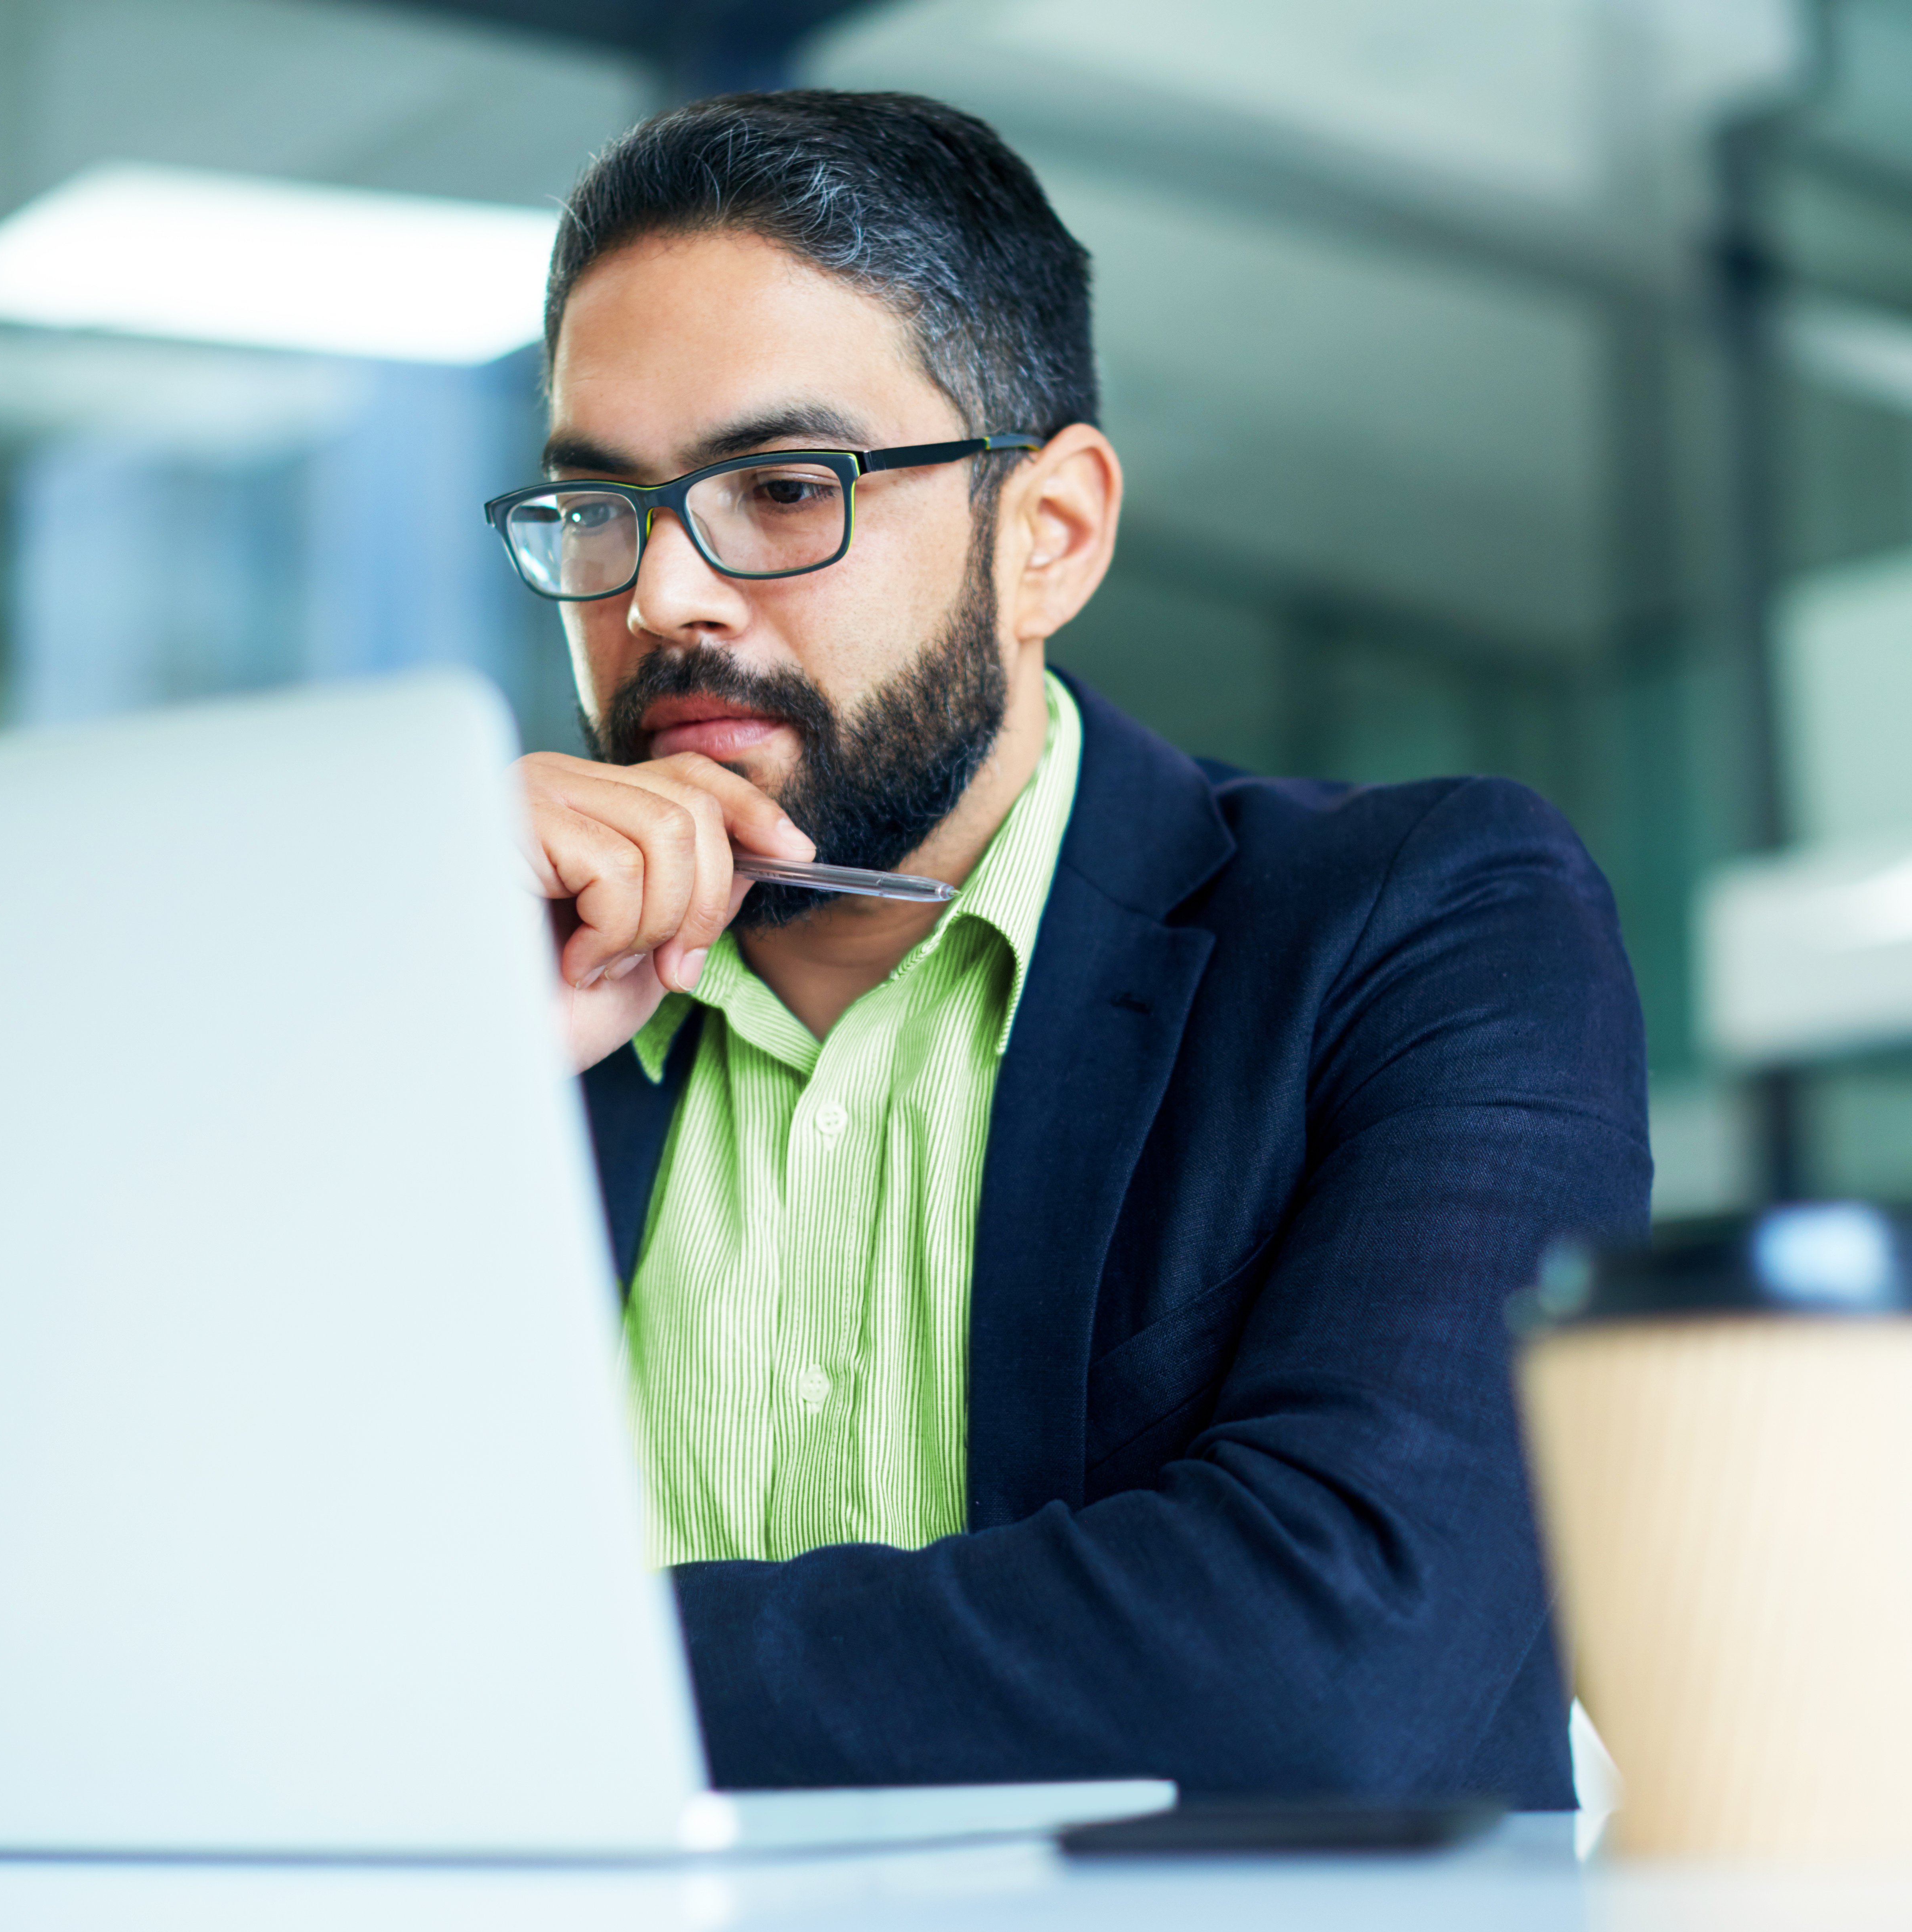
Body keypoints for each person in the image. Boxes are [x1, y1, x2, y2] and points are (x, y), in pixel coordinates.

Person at [493, 89, 1648, 1806]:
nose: (662, 598)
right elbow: (180, 1619)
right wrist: (428, 1060)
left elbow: (1334, 1673)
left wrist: (493, 1688)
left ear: (1051, 537)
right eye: (603, 510)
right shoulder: (495, 1005)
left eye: (783, 486)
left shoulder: (1425, 924)